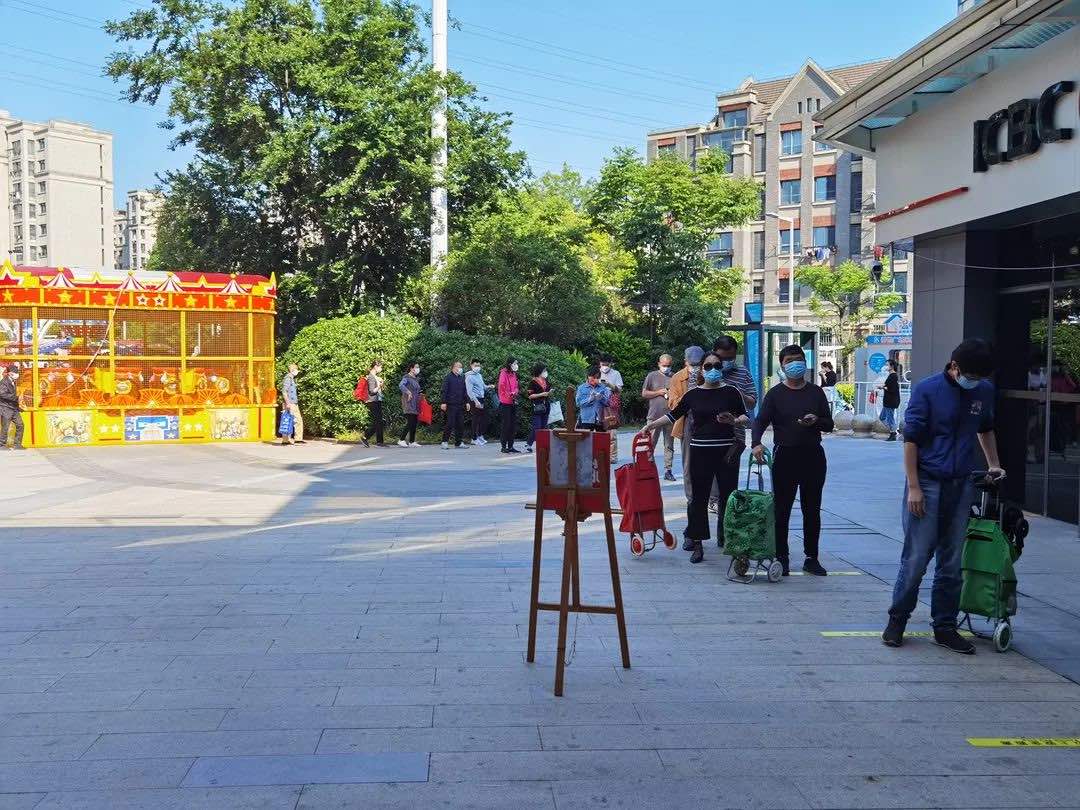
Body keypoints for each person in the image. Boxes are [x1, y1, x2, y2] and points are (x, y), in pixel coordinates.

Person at [883, 339, 1004, 654]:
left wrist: (993, 464)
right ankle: (897, 620)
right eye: (971, 376)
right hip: (927, 482)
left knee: (951, 562)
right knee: (916, 558)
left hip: (961, 484)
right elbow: (911, 440)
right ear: (955, 367)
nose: (974, 382)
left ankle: (945, 627)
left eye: (980, 377)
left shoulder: (983, 390)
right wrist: (914, 487)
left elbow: (986, 428)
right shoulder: (927, 390)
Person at [640, 351, 749, 564]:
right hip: (700, 450)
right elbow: (673, 415)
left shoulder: (731, 392)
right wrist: (651, 425)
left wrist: (734, 421)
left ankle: (729, 539)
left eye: (716, 366)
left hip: (726, 451)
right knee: (698, 498)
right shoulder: (693, 394)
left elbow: (745, 416)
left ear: (721, 368)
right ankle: (697, 543)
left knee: (729, 496)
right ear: (701, 370)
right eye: (708, 366)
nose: (712, 370)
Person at [751, 345, 833, 576]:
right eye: (789, 361)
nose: (795, 364)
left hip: (813, 455)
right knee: (782, 509)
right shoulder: (775, 394)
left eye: (799, 359)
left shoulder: (815, 392)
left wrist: (816, 420)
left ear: (805, 363)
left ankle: (811, 557)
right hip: (785, 455)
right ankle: (782, 557)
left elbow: (829, 423)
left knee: (812, 509)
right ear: (782, 365)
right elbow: (760, 421)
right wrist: (756, 443)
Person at [668, 346, 705, 547]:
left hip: (709, 428)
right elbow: (672, 405)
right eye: (693, 364)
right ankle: (692, 499)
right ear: (685, 362)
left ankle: (713, 499)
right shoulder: (677, 378)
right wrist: (689, 398)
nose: (696, 368)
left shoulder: (709, 373)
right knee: (689, 467)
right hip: (687, 425)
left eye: (699, 364)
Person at [642, 354, 676, 481]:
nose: (666, 368)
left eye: (669, 365)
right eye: (664, 365)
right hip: (654, 416)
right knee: (650, 444)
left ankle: (668, 470)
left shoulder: (674, 377)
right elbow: (644, 393)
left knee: (669, 445)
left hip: (670, 416)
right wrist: (658, 392)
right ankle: (648, 469)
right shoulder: (652, 376)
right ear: (659, 364)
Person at [439, 361, 470, 449]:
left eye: (461, 367)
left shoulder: (461, 378)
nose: (460, 368)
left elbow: (464, 391)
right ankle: (444, 442)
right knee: (450, 423)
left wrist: (467, 402)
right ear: (453, 367)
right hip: (451, 404)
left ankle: (458, 442)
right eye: (458, 366)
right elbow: (444, 390)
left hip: (460, 404)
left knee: (460, 424)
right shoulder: (448, 378)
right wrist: (443, 402)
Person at [599, 354, 623, 464]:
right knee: (599, 431)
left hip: (611, 405)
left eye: (606, 364)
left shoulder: (616, 373)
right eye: (603, 364)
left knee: (612, 432)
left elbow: (619, 390)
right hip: (598, 404)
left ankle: (613, 457)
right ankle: (600, 455)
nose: (604, 366)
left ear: (610, 364)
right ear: (599, 363)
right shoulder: (596, 372)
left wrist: (609, 385)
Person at [525, 362, 552, 453]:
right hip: (537, 406)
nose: (545, 372)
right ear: (539, 371)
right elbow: (530, 396)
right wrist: (542, 394)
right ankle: (529, 443)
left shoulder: (546, 381)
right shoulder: (533, 382)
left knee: (544, 427)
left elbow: (548, 392)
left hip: (546, 405)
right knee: (537, 426)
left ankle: (542, 446)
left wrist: (549, 393)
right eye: (544, 370)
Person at [465, 359, 494, 445]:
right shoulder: (469, 377)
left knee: (483, 418)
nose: (477, 367)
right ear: (471, 366)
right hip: (475, 399)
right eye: (475, 365)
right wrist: (476, 401)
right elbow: (469, 391)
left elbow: (483, 386)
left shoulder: (479, 375)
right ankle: (474, 438)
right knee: (476, 419)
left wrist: (489, 386)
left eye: (478, 365)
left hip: (481, 398)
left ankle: (480, 435)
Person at [575, 365, 613, 431]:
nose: (595, 379)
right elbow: (578, 404)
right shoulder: (581, 388)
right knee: (586, 437)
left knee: (601, 437)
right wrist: (589, 399)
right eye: (593, 377)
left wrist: (601, 398)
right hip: (586, 419)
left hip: (601, 419)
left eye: (597, 377)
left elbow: (608, 403)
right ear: (588, 376)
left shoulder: (603, 387)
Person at [497, 357, 521, 454]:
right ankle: (503, 446)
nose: (516, 365)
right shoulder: (503, 373)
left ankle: (511, 446)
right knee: (506, 425)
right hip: (505, 402)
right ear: (510, 364)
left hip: (513, 402)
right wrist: (510, 394)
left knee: (513, 425)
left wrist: (515, 392)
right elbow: (501, 387)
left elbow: (516, 386)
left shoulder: (514, 374)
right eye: (515, 363)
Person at [0, 365, 25, 451]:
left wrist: (18, 407)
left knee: (20, 425)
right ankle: (1, 445)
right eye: (16, 372)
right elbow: (2, 394)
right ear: (10, 373)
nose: (17, 374)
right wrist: (16, 398)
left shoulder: (14, 381)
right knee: (5, 427)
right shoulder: (4, 382)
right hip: (5, 408)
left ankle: (17, 444)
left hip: (13, 408)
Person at [360, 360, 385, 447]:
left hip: (376, 400)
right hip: (373, 401)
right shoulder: (371, 377)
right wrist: (379, 386)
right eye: (380, 367)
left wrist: (380, 384)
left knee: (379, 421)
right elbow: (372, 391)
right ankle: (376, 441)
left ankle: (371, 439)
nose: (381, 369)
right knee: (378, 421)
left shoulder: (374, 377)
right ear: (375, 366)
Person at [397, 361, 422, 447]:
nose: (418, 369)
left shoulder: (416, 379)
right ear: (411, 368)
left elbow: (416, 390)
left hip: (415, 403)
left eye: (418, 367)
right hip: (408, 402)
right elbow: (401, 385)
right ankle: (401, 439)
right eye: (416, 367)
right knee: (410, 422)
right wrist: (408, 392)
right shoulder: (406, 377)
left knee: (414, 422)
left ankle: (412, 441)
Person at [280, 363, 304, 445]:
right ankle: (298, 439)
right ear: (293, 370)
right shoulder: (288, 378)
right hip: (291, 403)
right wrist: (288, 403)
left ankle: (285, 440)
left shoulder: (290, 378)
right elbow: (284, 391)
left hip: (291, 402)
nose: (297, 371)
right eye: (297, 370)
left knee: (287, 420)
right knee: (298, 420)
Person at [878, 359, 901, 441]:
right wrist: (883, 386)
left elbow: (892, 389)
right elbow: (889, 386)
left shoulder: (893, 376)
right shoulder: (891, 375)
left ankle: (893, 433)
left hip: (891, 401)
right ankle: (893, 430)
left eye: (887, 365)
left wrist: (883, 387)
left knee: (890, 418)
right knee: (882, 417)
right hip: (888, 401)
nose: (885, 366)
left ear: (891, 366)